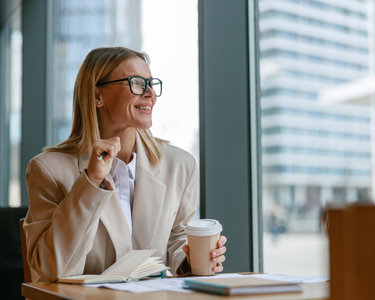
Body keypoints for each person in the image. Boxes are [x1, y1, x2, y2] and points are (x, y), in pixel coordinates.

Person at [23, 46, 227, 282]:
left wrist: (193, 257)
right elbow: (50, 269)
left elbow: (175, 238)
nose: (151, 94)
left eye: (152, 84)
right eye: (137, 83)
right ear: (97, 96)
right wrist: (91, 181)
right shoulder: (48, 170)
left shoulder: (180, 165)